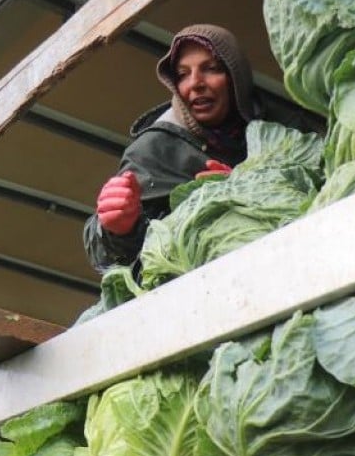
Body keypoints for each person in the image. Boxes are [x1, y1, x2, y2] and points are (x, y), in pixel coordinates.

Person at [83, 23, 324, 271]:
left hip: (299, 263)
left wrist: (246, 187)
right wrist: (118, 229)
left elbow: (325, 186)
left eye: (211, 69)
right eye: (183, 74)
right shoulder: (154, 148)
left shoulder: (288, 128)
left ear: (235, 78)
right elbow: (105, 253)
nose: (195, 83)